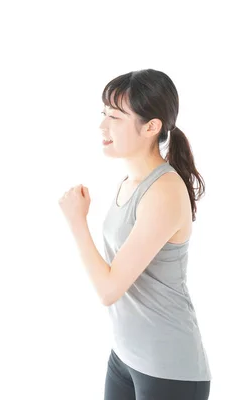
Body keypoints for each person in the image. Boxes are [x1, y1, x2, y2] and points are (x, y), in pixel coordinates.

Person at [58, 69, 211, 400]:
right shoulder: (131, 182)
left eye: (115, 116)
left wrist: (77, 222)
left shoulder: (164, 191)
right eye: (104, 114)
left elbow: (109, 290)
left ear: (151, 127)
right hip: (125, 358)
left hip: (169, 369)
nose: (103, 126)